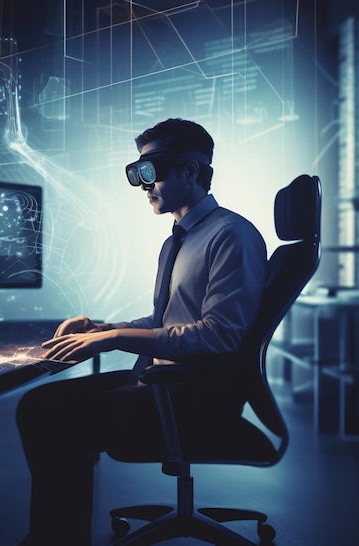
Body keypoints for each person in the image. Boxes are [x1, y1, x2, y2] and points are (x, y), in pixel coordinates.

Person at [15, 118, 268, 546]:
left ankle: (56, 539)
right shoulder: (177, 241)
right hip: (162, 381)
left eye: (152, 170)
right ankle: (57, 535)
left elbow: (219, 336)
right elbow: (164, 322)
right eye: (138, 173)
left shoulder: (231, 236)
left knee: (51, 413)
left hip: (194, 394)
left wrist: (112, 341)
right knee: (38, 401)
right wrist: (103, 327)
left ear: (191, 170)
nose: (143, 184)